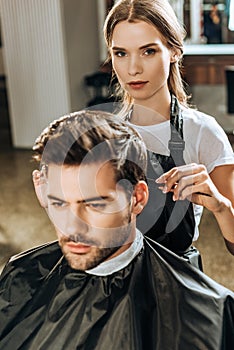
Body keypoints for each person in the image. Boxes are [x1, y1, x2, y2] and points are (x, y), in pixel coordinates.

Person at [0, 110, 234, 349]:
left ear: (138, 198)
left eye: (94, 204)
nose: (72, 226)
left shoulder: (204, 312)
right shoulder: (20, 278)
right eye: (59, 203)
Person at [103, 0, 234, 256]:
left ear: (174, 51)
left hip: (177, 287)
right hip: (117, 288)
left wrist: (221, 207)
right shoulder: (105, 135)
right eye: (121, 53)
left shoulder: (202, 131)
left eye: (148, 51)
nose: (133, 68)